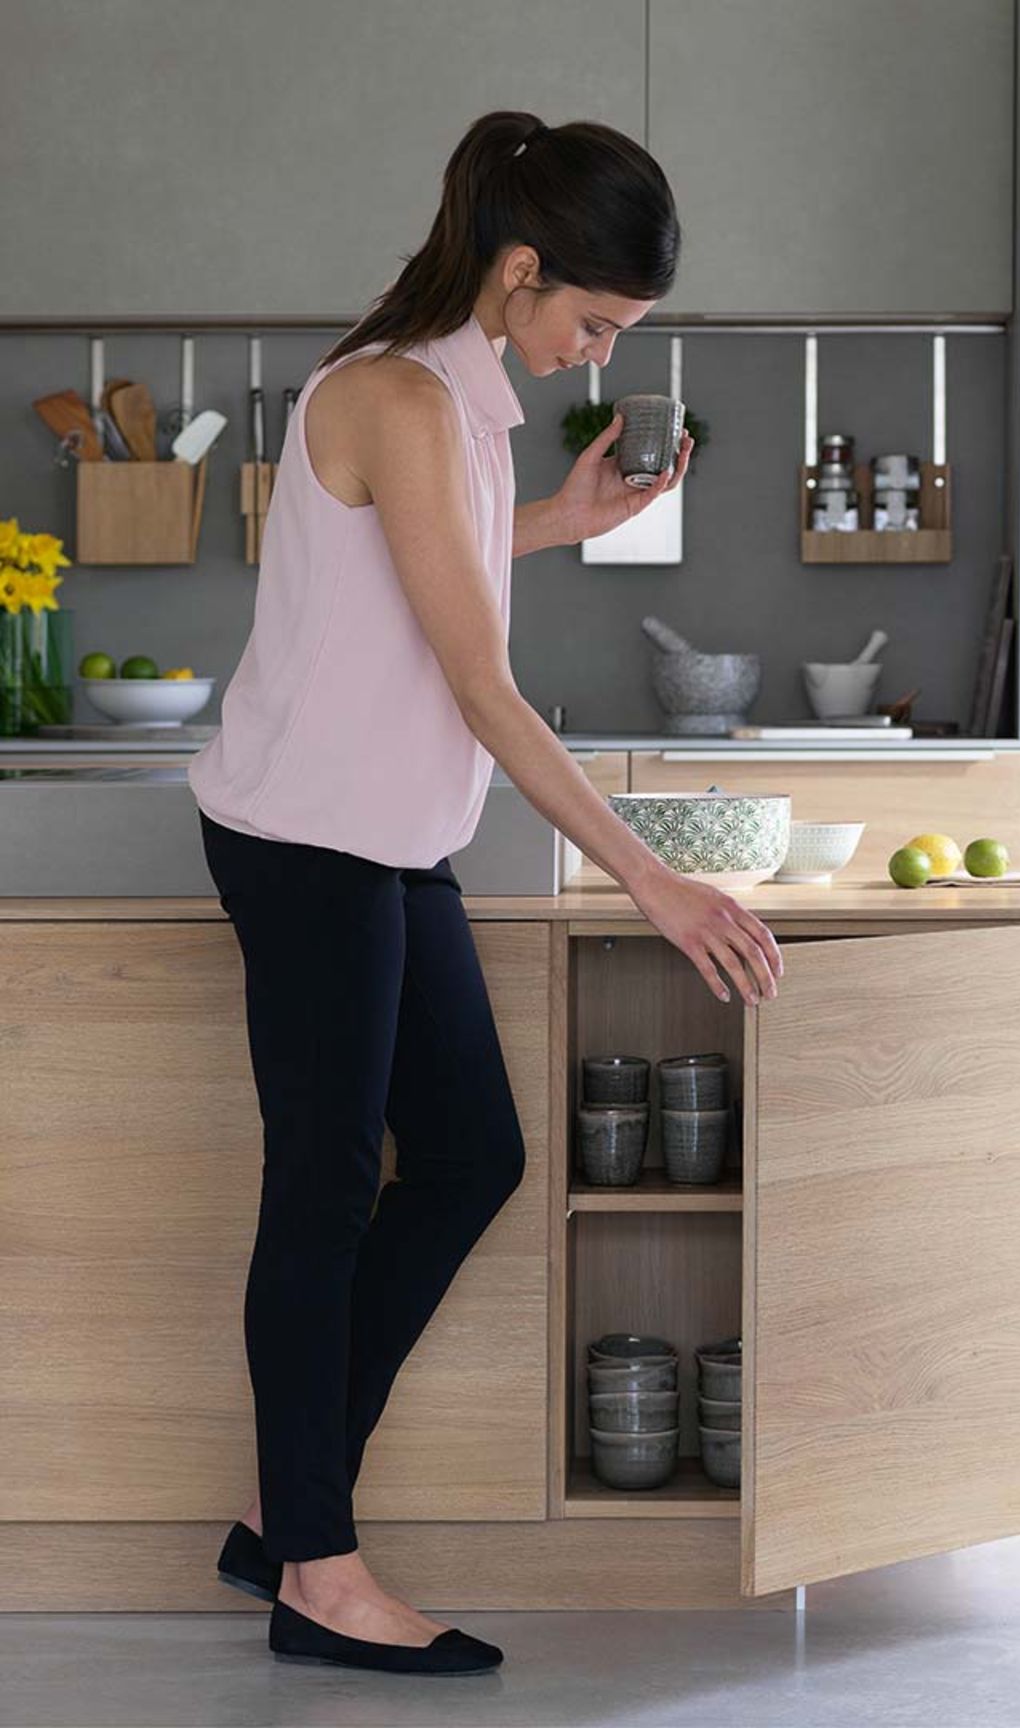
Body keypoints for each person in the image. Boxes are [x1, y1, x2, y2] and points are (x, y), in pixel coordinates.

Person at [191, 109, 783, 1677]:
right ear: (518, 270)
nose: (592, 355)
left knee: (468, 1156)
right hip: (307, 837)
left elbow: (425, 558)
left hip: (387, 836)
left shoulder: (464, 399)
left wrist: (559, 524)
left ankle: (284, 1507)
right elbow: (479, 678)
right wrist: (649, 877)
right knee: (322, 1190)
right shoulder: (388, 388)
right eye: (591, 321)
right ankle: (315, 1569)